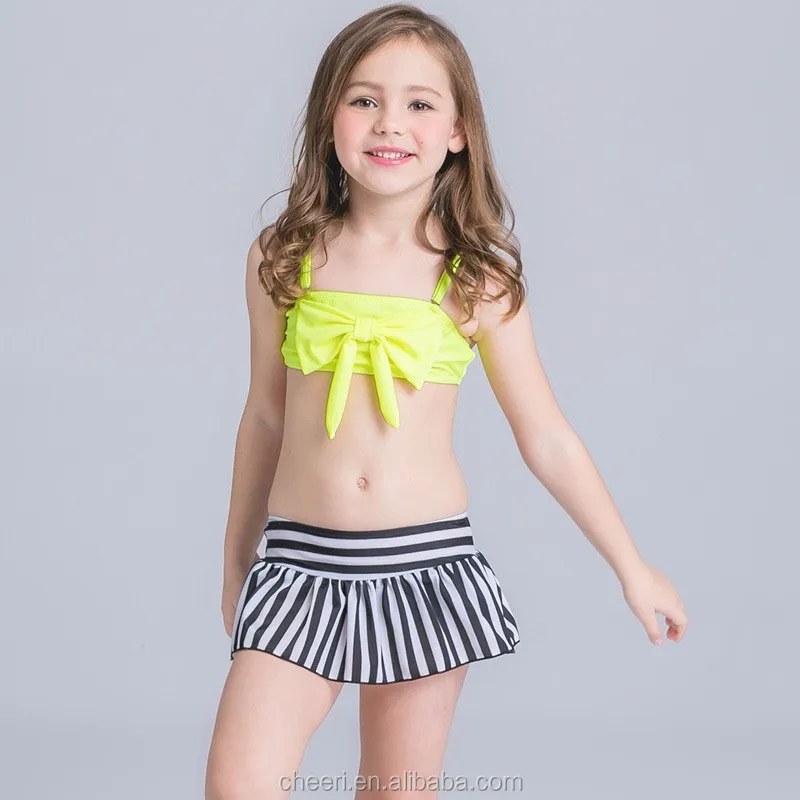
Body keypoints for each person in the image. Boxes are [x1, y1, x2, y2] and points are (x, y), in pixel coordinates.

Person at [205, 4, 688, 798]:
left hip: (425, 570)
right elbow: (264, 416)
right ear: (329, 116)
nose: (389, 122)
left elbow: (548, 439)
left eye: (420, 104)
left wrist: (632, 568)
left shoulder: (476, 281)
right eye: (364, 99)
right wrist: (235, 562)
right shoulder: (283, 257)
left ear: (459, 131)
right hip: (298, 566)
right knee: (239, 784)